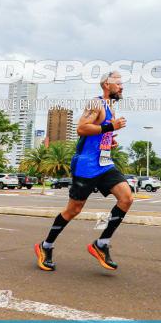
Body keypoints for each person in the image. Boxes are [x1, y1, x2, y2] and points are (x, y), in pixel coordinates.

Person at [34, 71, 134, 271]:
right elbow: (81, 128)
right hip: (86, 166)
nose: (122, 87)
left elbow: (97, 133)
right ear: (107, 85)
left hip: (105, 164)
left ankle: (101, 244)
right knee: (74, 210)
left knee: (127, 198)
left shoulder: (110, 108)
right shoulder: (96, 104)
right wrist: (109, 128)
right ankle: (45, 246)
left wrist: (108, 140)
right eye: (118, 83)